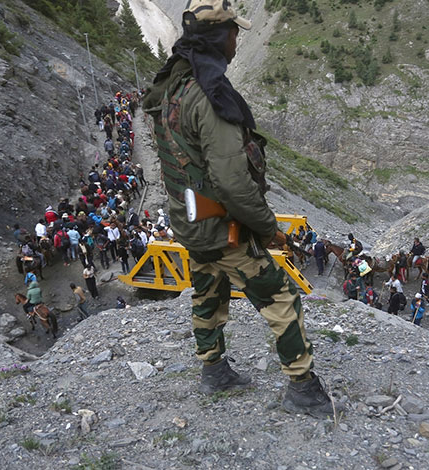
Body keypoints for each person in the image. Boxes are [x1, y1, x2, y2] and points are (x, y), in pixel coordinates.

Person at [143, 0, 331, 418]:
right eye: (233, 31)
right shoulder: (210, 99)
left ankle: (214, 371)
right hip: (222, 229)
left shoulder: (172, 86)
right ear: (217, 36)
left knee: (207, 291)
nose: (237, 39)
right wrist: (267, 229)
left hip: (190, 222)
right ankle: (303, 388)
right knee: (281, 299)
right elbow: (233, 183)